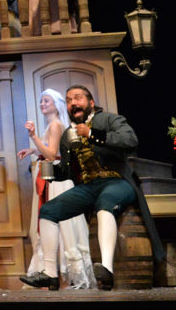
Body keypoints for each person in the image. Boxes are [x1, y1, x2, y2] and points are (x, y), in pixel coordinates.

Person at [20, 85, 164, 291]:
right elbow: (67, 170)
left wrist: (91, 134)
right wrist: (51, 172)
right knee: (48, 211)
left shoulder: (108, 119)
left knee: (106, 202)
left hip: (117, 181)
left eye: (78, 98)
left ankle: (107, 269)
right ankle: (50, 274)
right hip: (89, 187)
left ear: (91, 103)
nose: (73, 103)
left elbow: (130, 140)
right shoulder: (68, 134)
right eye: (69, 100)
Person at [17, 89, 93, 289]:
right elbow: (51, 150)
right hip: (51, 177)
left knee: (61, 225)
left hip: (57, 180)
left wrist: (33, 137)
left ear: (56, 104)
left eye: (46, 101)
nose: (42, 104)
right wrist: (34, 150)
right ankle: (53, 274)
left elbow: (51, 155)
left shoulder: (56, 124)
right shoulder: (53, 125)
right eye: (41, 101)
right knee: (54, 226)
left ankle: (63, 276)